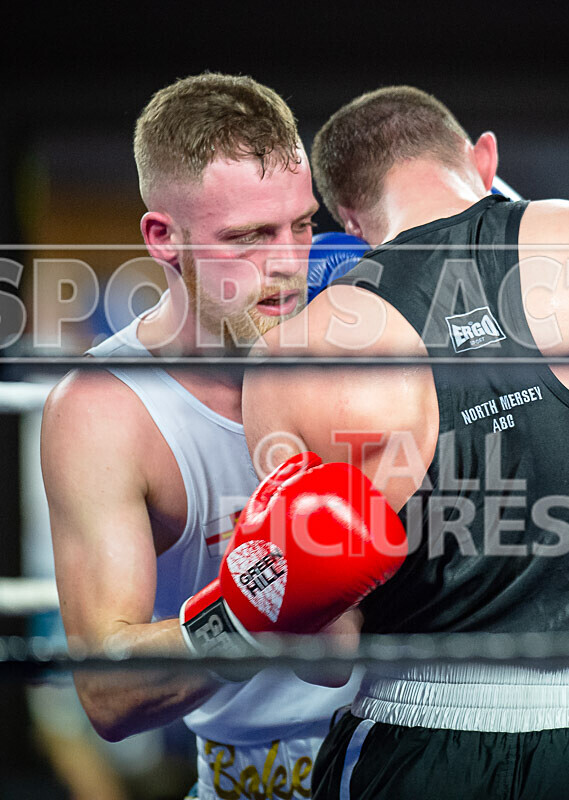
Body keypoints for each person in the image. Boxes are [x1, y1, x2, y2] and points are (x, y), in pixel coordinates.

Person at [241, 86, 569, 798]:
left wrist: (270, 590)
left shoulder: (295, 354)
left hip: (413, 745)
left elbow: (325, 660)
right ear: (484, 157)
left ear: (349, 219)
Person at [41, 72, 359, 800]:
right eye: (248, 236)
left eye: (301, 224)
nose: (286, 263)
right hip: (258, 778)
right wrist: (256, 607)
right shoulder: (106, 410)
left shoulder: (368, 335)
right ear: (164, 238)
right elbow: (109, 694)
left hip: (429, 756)